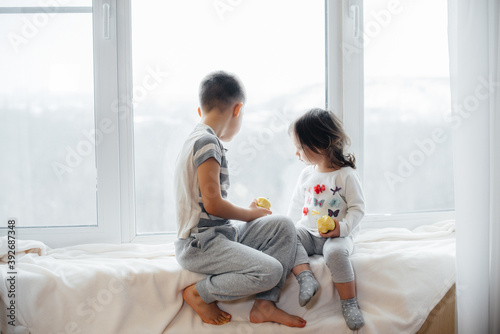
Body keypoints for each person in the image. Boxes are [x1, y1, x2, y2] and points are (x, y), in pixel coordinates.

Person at [173, 71, 306, 328]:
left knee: (284, 225)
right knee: (271, 270)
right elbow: (213, 205)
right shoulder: (206, 143)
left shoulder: (200, 138)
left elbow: (209, 205)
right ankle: (200, 293)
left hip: (218, 234)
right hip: (200, 245)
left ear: (201, 110)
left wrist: (247, 214)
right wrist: (249, 214)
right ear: (238, 110)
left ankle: (265, 304)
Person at [288, 108, 366, 330]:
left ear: (319, 145)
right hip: (308, 233)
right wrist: (288, 228)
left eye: (299, 147)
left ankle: (349, 303)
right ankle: (306, 278)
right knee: (288, 238)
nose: (297, 153)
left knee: (335, 253)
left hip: (337, 236)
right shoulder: (306, 174)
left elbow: (358, 209)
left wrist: (341, 228)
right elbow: (295, 205)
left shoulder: (346, 175)